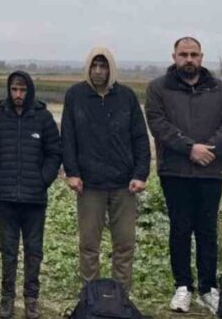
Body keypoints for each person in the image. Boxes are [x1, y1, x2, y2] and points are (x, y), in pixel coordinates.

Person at [146, 37, 222, 314]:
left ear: (201, 57)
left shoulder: (221, 89)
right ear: (174, 56)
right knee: (180, 228)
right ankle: (183, 286)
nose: (189, 59)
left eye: (194, 54)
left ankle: (208, 288)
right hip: (175, 171)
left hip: (210, 171)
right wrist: (190, 148)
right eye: (184, 54)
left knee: (207, 230)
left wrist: (207, 150)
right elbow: (158, 124)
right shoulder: (158, 88)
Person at [61, 47, 150, 293]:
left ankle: (120, 296)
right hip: (89, 184)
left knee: (124, 245)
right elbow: (67, 138)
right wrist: (72, 172)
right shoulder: (75, 95)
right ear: (88, 68)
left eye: (103, 66)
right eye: (94, 65)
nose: (98, 71)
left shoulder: (127, 97)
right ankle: (90, 296)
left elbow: (140, 137)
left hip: (124, 184)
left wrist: (140, 173)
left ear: (111, 69)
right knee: (89, 245)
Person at [0, 70, 62, 319]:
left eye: (23, 90)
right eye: (14, 90)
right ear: (9, 90)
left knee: (34, 251)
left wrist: (43, 180)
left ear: (30, 91)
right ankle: (7, 298)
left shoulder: (43, 118)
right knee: (8, 251)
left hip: (34, 199)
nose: (18, 95)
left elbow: (54, 153)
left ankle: (31, 299)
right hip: (6, 197)